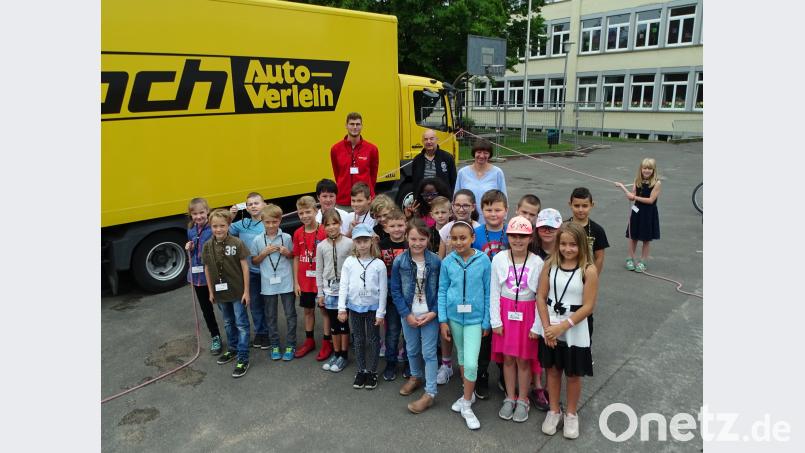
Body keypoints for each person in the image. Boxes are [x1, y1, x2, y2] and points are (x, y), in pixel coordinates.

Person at [529, 223, 598, 439]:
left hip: (574, 328)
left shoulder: (588, 269)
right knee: (552, 370)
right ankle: (554, 411)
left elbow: (588, 306)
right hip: (551, 325)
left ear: (581, 246)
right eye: (564, 244)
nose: (568, 249)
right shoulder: (550, 265)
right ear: (558, 244)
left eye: (573, 245)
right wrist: (548, 327)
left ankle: (571, 414)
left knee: (574, 374)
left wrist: (562, 326)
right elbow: (540, 296)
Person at [438, 221, 491, 430]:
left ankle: (467, 404)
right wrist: (443, 320)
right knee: (461, 357)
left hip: (475, 320)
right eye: (454, 238)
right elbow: (442, 291)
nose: (458, 242)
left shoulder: (484, 260)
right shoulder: (448, 262)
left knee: (470, 362)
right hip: (454, 318)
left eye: (463, 238)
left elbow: (488, 291)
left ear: (472, 238)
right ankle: (466, 393)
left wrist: (486, 320)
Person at [490, 217, 544, 423]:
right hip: (505, 313)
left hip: (528, 314)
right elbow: (494, 290)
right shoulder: (500, 259)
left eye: (523, 236)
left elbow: (540, 296)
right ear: (508, 236)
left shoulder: (537, 262)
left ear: (530, 238)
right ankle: (509, 396)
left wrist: (537, 325)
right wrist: (495, 320)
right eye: (514, 236)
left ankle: (523, 399)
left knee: (524, 359)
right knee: (508, 358)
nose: (518, 240)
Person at [390, 218, 442, 414]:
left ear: (428, 239)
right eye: (413, 239)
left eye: (421, 239)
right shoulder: (400, 261)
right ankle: (415, 376)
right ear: (406, 238)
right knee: (411, 349)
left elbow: (441, 289)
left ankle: (430, 393)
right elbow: (395, 289)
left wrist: (434, 312)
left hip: (429, 315)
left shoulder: (436, 261)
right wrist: (406, 314)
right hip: (409, 315)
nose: (417, 243)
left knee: (429, 353)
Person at [435, 189, 480, 386]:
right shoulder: (446, 230)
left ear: (473, 207)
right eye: (457, 205)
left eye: (465, 205)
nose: (461, 209)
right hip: (453, 285)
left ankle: (474, 372)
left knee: (468, 341)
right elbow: (441, 257)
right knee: (448, 331)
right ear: (452, 206)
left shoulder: (478, 228)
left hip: (472, 292)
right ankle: (446, 364)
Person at [337, 224, 387, 390]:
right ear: (354, 243)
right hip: (355, 307)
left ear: (371, 241)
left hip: (373, 308)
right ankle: (361, 370)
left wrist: (381, 312)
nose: (363, 244)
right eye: (359, 241)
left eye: (366, 240)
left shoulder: (379, 264)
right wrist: (341, 308)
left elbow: (383, 290)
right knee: (358, 339)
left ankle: (372, 371)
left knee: (373, 339)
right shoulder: (349, 262)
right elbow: (343, 285)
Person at [202, 209, 251, 378]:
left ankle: (243, 357)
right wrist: (210, 291)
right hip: (220, 293)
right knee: (228, 322)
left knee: (241, 324)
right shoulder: (207, 246)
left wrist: (246, 291)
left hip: (238, 292)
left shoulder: (237, 243)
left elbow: (245, 267)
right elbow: (207, 268)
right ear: (210, 226)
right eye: (215, 226)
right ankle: (233, 349)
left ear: (229, 225)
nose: (218, 229)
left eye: (222, 226)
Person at [471, 189, 510, 399]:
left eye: (497, 209)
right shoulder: (475, 235)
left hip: (507, 295)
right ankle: (482, 373)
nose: (493, 214)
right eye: (488, 209)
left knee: (504, 334)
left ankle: (505, 374)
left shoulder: (511, 233)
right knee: (484, 337)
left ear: (506, 210)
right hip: (482, 294)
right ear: (481, 210)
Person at [250, 204, 296, 361]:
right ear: (262, 221)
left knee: (290, 314)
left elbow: (292, 256)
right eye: (267, 222)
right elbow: (254, 261)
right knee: (270, 316)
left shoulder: (287, 238)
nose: (271, 225)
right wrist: (263, 254)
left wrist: (287, 252)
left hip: (286, 282)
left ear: (280, 220)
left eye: (274, 222)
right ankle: (275, 343)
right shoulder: (257, 240)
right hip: (268, 284)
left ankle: (291, 344)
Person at [316, 209, 353, 373]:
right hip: (329, 290)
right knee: (333, 324)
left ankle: (344, 355)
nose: (331, 227)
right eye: (328, 224)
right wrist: (320, 293)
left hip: (345, 290)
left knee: (343, 323)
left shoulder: (349, 243)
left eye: (335, 223)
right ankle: (336, 353)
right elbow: (319, 270)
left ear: (340, 224)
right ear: (323, 226)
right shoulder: (321, 246)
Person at [184, 197, 222, 356]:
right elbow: (193, 249)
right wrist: (189, 247)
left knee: (224, 306)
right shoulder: (191, 229)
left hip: (214, 275)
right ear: (190, 215)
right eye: (195, 214)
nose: (198, 216)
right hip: (197, 277)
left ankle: (235, 335)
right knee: (206, 309)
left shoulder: (213, 227)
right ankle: (215, 337)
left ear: (208, 211)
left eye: (201, 212)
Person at [292, 196, 328, 359]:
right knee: (308, 311)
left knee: (325, 311)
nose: (305, 216)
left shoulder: (324, 230)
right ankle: (309, 340)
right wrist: (296, 283)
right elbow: (296, 257)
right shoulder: (298, 233)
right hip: (305, 281)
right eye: (301, 213)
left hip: (321, 281)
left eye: (308, 212)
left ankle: (327, 342)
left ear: (316, 211)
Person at [228, 193, 266, 349]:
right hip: (251, 271)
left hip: (268, 270)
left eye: (256, 203)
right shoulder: (242, 224)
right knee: (255, 303)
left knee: (269, 304)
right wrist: (231, 216)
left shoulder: (269, 223)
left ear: (264, 204)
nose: (253, 206)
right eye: (249, 204)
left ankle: (270, 332)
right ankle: (261, 333)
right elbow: (224, 229)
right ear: (246, 208)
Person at [378, 209, 409, 381]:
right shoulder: (381, 246)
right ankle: (390, 363)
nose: (397, 229)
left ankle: (407, 362)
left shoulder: (409, 245)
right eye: (393, 226)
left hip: (407, 297)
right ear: (386, 227)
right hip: (389, 297)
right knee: (392, 331)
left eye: (400, 225)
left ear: (405, 225)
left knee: (408, 332)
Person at [617, 158, 661, 273]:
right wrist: (623, 188)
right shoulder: (637, 180)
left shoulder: (657, 183)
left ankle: (643, 261)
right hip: (636, 211)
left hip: (648, 213)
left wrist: (634, 197)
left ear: (653, 170)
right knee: (633, 236)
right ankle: (630, 258)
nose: (647, 170)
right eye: (644, 168)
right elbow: (633, 194)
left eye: (649, 168)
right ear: (641, 169)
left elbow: (651, 200)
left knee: (646, 239)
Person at [330, 112, 379, 209]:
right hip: (343, 201)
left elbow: (373, 175)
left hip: (364, 201)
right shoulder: (335, 149)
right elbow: (337, 174)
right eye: (352, 124)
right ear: (346, 126)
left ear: (362, 126)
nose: (355, 127)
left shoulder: (372, 149)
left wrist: (367, 193)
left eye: (358, 124)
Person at [454, 139, 507, 224]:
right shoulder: (463, 173)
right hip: (467, 219)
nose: (482, 156)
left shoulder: (497, 172)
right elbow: (456, 196)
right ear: (474, 153)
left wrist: (503, 217)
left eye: (485, 153)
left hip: (490, 220)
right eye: (479, 152)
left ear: (489, 155)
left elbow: (504, 197)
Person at [411, 128, 457, 193]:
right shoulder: (417, 160)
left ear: (437, 140)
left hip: (442, 200)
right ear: (422, 142)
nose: (429, 142)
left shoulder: (447, 157)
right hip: (423, 199)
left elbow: (454, 181)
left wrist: (451, 199)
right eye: (426, 139)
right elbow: (415, 183)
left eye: (431, 139)